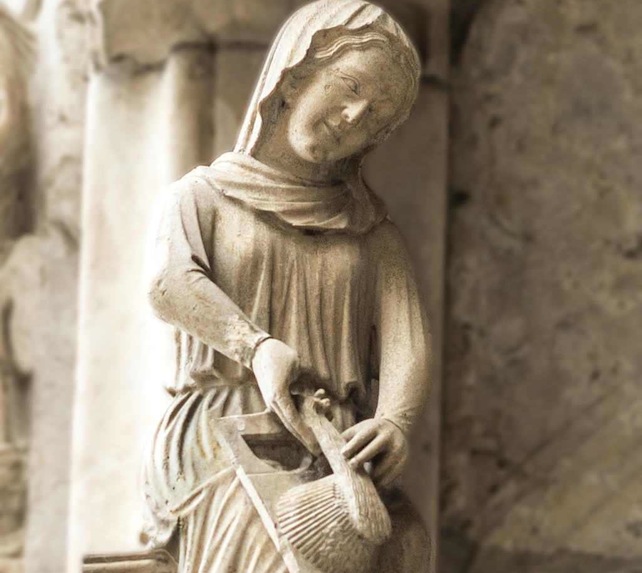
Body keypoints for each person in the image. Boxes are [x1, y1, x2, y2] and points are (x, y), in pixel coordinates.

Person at [143, 1, 431, 571]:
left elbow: (407, 342)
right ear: (296, 75)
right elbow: (169, 283)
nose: (353, 116)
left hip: (336, 444)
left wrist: (394, 421)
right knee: (274, 546)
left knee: (406, 542)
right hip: (223, 430)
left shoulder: (372, 233)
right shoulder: (202, 197)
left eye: (375, 115)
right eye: (350, 86)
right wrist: (255, 346)